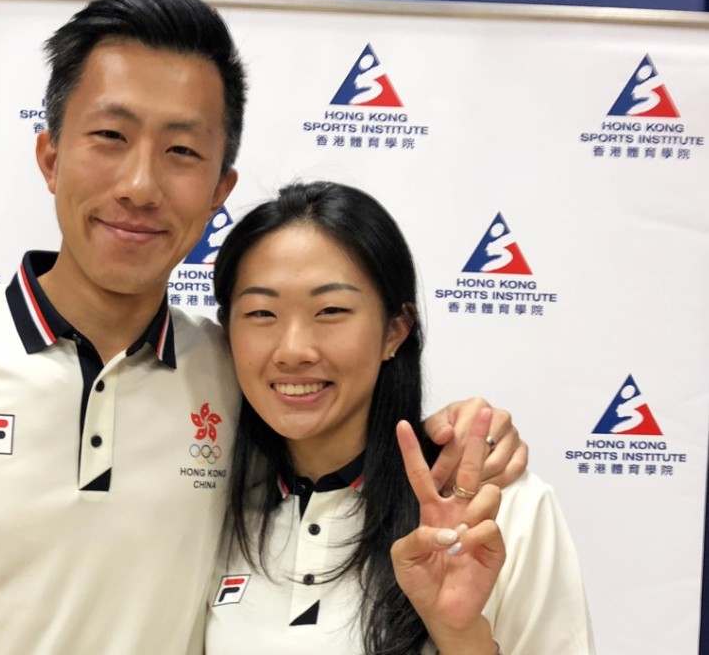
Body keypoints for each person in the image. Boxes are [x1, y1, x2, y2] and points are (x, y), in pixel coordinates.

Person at [0, 0, 525, 654]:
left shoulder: (237, 371)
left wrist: (466, 427)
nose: (139, 184)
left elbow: (346, 430)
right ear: (50, 155)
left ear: (219, 191)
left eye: (181, 151)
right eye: (109, 136)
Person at [205, 181, 595, 654]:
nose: (293, 351)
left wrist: (458, 635)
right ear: (227, 332)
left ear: (395, 331)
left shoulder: (500, 512)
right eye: (262, 312)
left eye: (330, 310)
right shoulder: (208, 503)